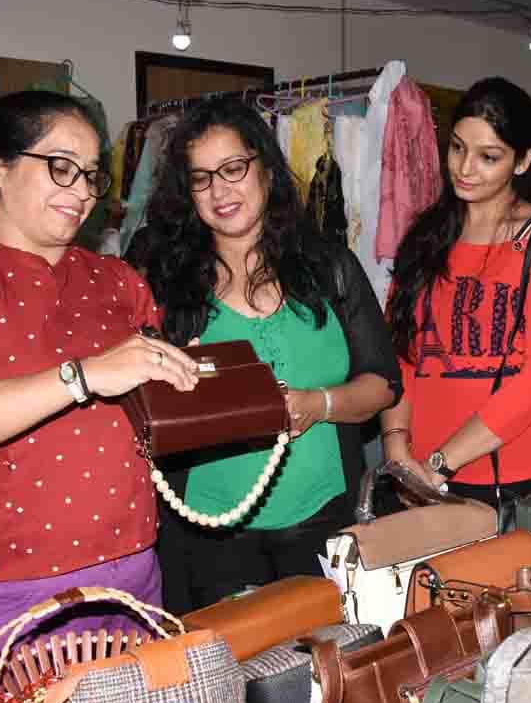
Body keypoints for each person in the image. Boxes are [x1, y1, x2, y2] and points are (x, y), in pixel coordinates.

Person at [0, 90, 200, 659]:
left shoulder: (119, 278)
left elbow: (152, 420)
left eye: (91, 176)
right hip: (9, 594)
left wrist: (192, 378)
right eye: (61, 168)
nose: (80, 192)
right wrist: (82, 376)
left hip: (135, 573)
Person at [140, 99, 401, 613]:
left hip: (322, 523)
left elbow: (382, 383)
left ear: (264, 167)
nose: (220, 191)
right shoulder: (165, 280)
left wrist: (318, 404)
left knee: (319, 678)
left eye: (233, 168)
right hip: (206, 535)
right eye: (201, 178)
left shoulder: (329, 267)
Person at [381, 77, 531, 508]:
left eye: (488, 156)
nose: (465, 168)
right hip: (419, 471)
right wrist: (398, 449)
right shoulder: (425, 238)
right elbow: (400, 357)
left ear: (523, 161)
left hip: (515, 475)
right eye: (456, 148)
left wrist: (441, 461)